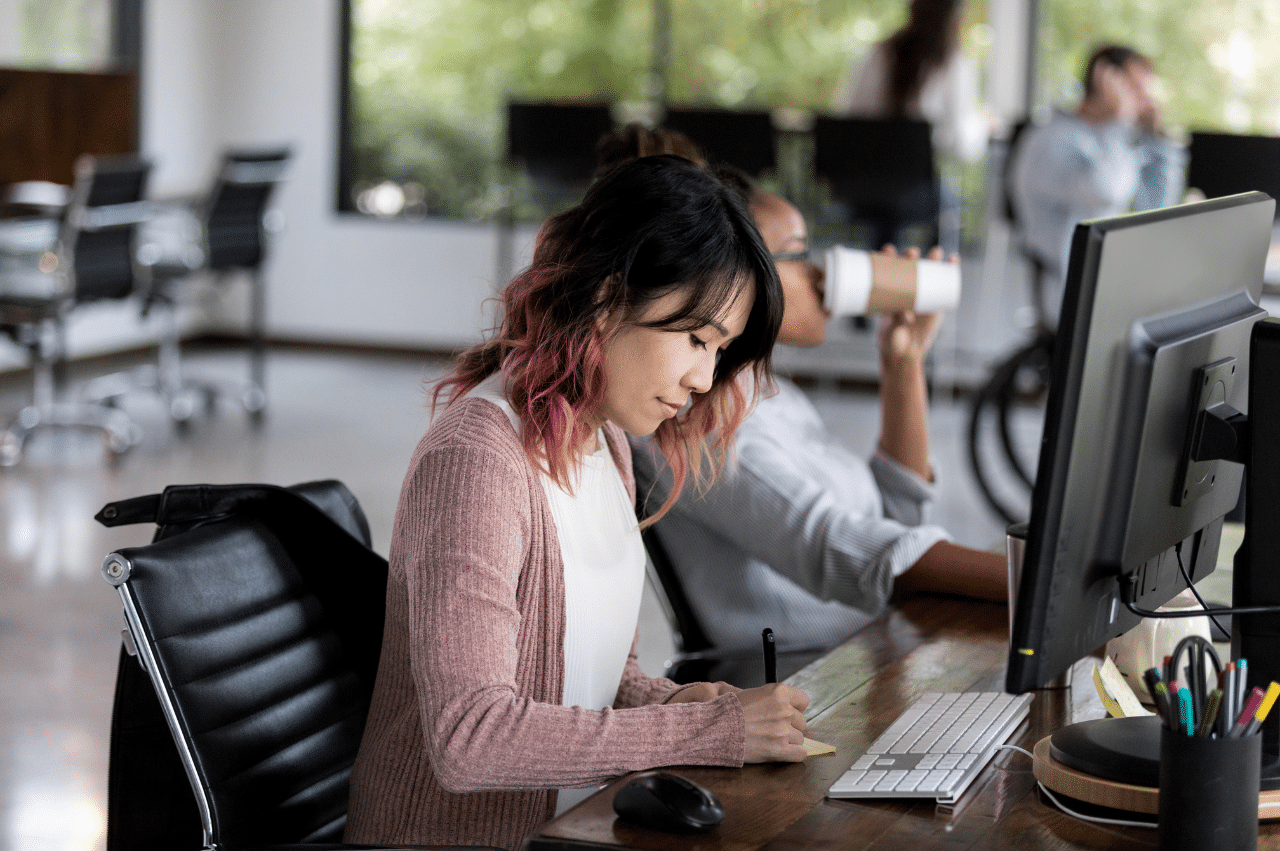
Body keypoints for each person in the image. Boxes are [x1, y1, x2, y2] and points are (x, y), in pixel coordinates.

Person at [343, 155, 809, 851]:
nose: (703, 376)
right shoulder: (477, 458)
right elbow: (470, 738)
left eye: (720, 350)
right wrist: (706, 730)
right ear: (606, 298)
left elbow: (599, 678)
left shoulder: (607, 443)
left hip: (568, 829)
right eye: (694, 338)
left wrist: (677, 701)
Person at [632, 171, 1007, 661]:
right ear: (733, 274)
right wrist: (1045, 578)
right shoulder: (694, 427)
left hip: (880, 646)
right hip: (812, 675)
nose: (822, 276)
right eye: (797, 253)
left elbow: (898, 518)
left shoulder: (772, 394)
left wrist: (903, 359)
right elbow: (847, 553)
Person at [1009, 45, 1185, 328]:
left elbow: (1157, 208)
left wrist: (1159, 139)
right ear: (1107, 81)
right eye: (1136, 91)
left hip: (1113, 279)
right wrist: (1119, 120)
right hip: (1071, 290)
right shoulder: (1054, 139)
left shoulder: (1110, 142)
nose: (1145, 103)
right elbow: (1107, 191)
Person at [835, 0, 988, 165]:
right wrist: (983, 126)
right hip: (913, 184)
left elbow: (847, 116)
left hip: (860, 179)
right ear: (955, 18)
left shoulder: (879, 53)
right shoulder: (954, 64)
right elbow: (963, 147)